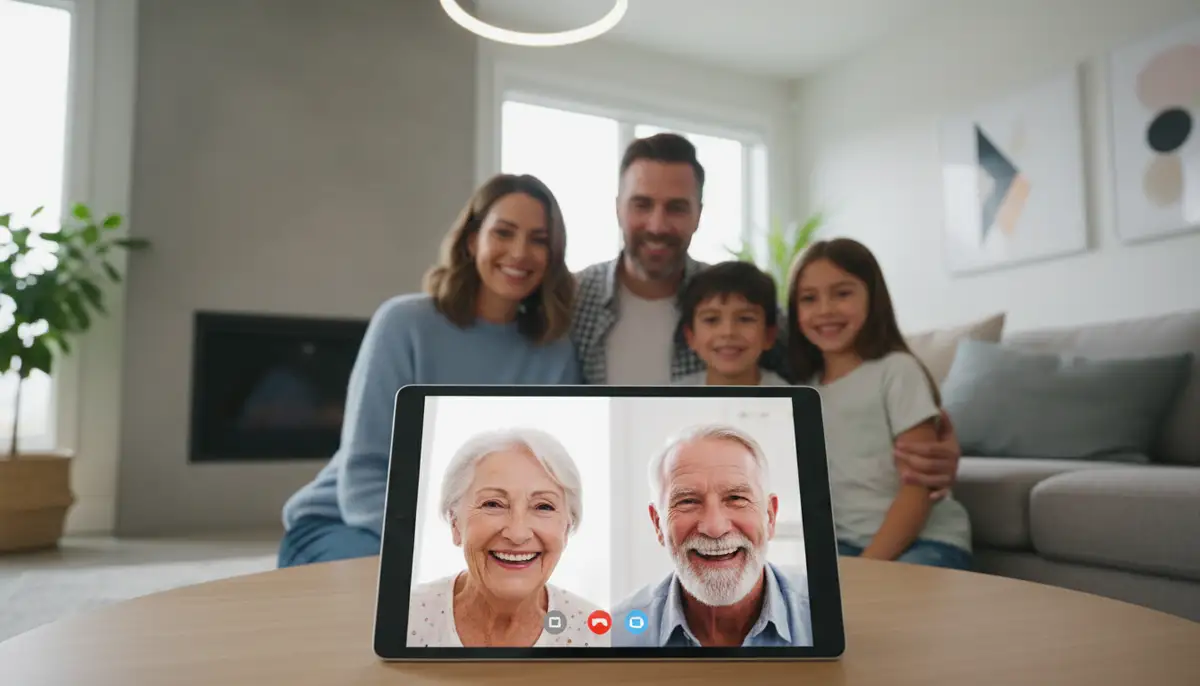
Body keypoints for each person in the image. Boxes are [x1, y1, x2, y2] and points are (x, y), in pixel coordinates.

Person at [571, 132, 962, 498]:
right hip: (613, 482)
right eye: (642, 204)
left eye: (676, 207)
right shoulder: (574, 297)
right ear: (618, 207)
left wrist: (935, 435)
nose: (657, 224)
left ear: (698, 214)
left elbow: (831, 366)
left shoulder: (731, 297)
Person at [276, 174, 581, 567]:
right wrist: (440, 548)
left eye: (538, 240)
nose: (520, 252)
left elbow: (545, 472)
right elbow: (365, 471)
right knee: (395, 593)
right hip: (347, 522)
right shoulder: (404, 323)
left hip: (472, 535)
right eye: (503, 233)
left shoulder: (554, 350)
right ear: (472, 241)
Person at [786, 238, 973, 569]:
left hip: (927, 540)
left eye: (842, 293)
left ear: (873, 297)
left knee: (884, 600)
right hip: (846, 544)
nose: (825, 309)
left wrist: (870, 565)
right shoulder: (803, 390)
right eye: (809, 298)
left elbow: (919, 486)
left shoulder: (897, 371)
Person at [611, 424, 813, 648]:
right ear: (658, 524)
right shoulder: (616, 636)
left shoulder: (823, 616)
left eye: (736, 498)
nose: (715, 528)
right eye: (688, 501)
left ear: (770, 517)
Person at [407, 428, 605, 647]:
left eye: (543, 506)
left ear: (567, 528)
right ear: (455, 523)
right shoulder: (405, 617)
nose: (517, 534)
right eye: (493, 504)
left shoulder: (596, 634)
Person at [672, 260, 789, 386]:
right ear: (690, 337)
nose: (728, 332)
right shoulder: (674, 396)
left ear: (769, 335)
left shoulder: (790, 396)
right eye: (711, 319)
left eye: (745, 319)